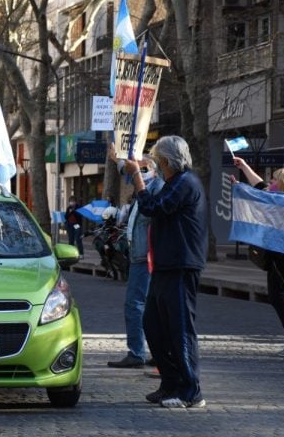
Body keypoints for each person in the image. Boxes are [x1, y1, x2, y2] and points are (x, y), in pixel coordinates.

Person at [123, 135, 207, 409]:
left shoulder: (185, 183)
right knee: (154, 325)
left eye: (158, 162)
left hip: (180, 266)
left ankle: (190, 391)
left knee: (180, 329)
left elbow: (152, 208)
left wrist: (136, 176)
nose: (156, 167)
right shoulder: (174, 183)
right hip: (164, 265)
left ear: (168, 161)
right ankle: (170, 383)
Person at [232, 156, 284, 357]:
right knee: (276, 296)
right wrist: (245, 167)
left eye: (275, 180)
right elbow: (260, 185)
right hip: (278, 257)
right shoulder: (280, 199)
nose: (271, 183)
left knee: (277, 296)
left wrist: (243, 190)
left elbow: (260, 193)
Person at [106, 144, 165, 368]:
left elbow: (148, 203)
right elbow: (129, 173)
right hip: (140, 254)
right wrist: (116, 160)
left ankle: (137, 352)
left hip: (146, 256)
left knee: (135, 304)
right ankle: (153, 351)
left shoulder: (155, 187)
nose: (134, 169)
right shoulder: (148, 182)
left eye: (140, 165)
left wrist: (125, 165)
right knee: (147, 306)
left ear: (150, 167)